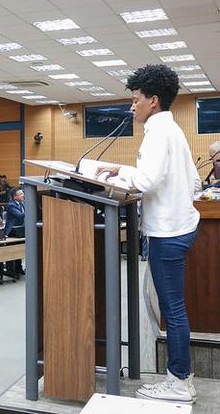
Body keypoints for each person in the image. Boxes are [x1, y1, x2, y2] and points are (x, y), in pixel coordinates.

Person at [97, 65, 200, 404]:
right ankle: (181, 376)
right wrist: (122, 169)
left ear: (153, 101)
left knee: (172, 309)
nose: (132, 106)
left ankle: (179, 382)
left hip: (168, 233)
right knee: (173, 307)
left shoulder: (158, 133)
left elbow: (147, 181)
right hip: (178, 227)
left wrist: (110, 180)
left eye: (135, 100)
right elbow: (191, 182)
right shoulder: (172, 130)